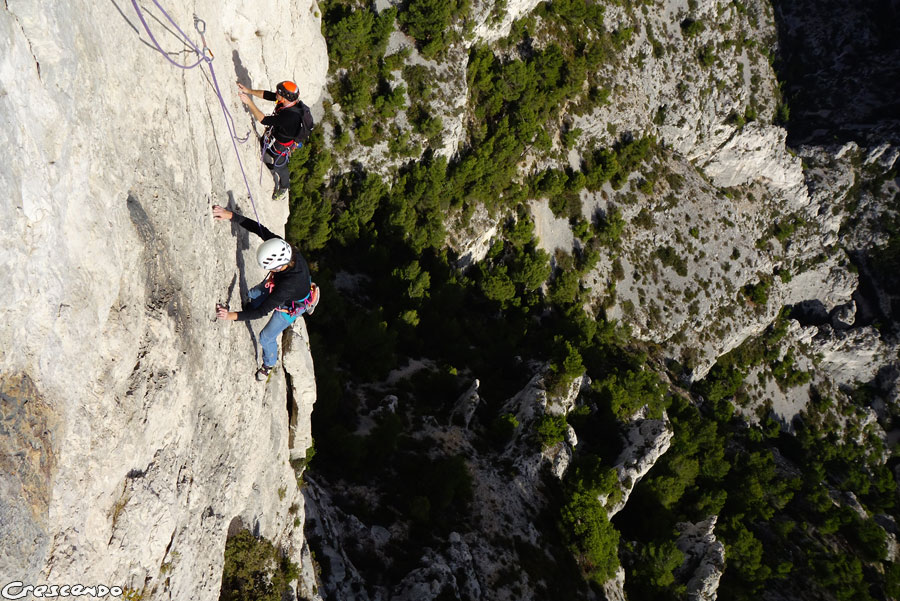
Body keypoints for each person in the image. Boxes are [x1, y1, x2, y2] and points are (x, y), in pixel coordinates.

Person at [213, 204, 320, 381]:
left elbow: (262, 312)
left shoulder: (287, 286)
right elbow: (259, 228)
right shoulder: (282, 247)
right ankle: (307, 297)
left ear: (279, 267)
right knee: (252, 296)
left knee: (265, 337)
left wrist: (230, 315)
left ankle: (268, 364)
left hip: (291, 304)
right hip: (289, 287)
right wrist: (230, 215)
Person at [237, 80, 314, 200]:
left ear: (284, 98)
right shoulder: (288, 102)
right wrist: (248, 91)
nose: (275, 94)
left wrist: (249, 102)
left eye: (278, 93)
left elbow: (264, 120)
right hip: (276, 135)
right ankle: (271, 163)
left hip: (281, 145)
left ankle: (284, 187)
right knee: (264, 144)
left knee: (279, 166)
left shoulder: (289, 116)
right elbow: (268, 95)